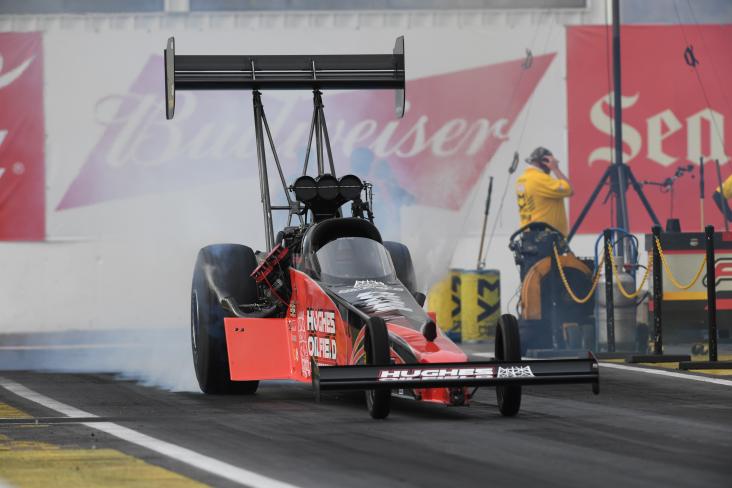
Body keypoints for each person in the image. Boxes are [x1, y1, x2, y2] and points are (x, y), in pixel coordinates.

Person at [515, 146, 574, 236]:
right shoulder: (540, 179)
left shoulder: (521, 179)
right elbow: (569, 189)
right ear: (545, 162)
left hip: (528, 235)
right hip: (546, 237)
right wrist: (555, 169)